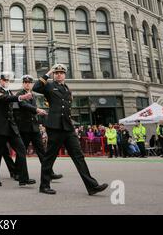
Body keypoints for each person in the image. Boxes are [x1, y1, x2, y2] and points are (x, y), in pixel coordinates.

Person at [33, 64, 108, 195]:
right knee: (49, 157)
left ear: (65, 75)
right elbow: (36, 87)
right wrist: (48, 73)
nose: (59, 75)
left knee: (78, 156)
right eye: (56, 73)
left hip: (68, 127)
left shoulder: (67, 89)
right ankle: (44, 186)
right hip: (55, 127)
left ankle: (92, 186)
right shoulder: (49, 86)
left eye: (61, 73)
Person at [0, 72, 35, 187]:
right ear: (0, 81)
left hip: (11, 127)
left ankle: (23, 178)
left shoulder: (9, 91)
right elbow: (6, 99)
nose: (6, 82)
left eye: (8, 80)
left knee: (21, 149)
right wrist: (21, 97)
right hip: (0, 127)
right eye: (4, 80)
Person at [15, 75, 63, 180]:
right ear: (23, 83)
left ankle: (49, 172)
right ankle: (18, 173)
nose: (27, 84)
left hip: (34, 128)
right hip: (24, 128)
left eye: (29, 82)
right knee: (22, 151)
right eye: (25, 82)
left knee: (42, 151)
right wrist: (37, 109)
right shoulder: (19, 94)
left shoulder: (33, 95)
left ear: (32, 84)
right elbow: (24, 105)